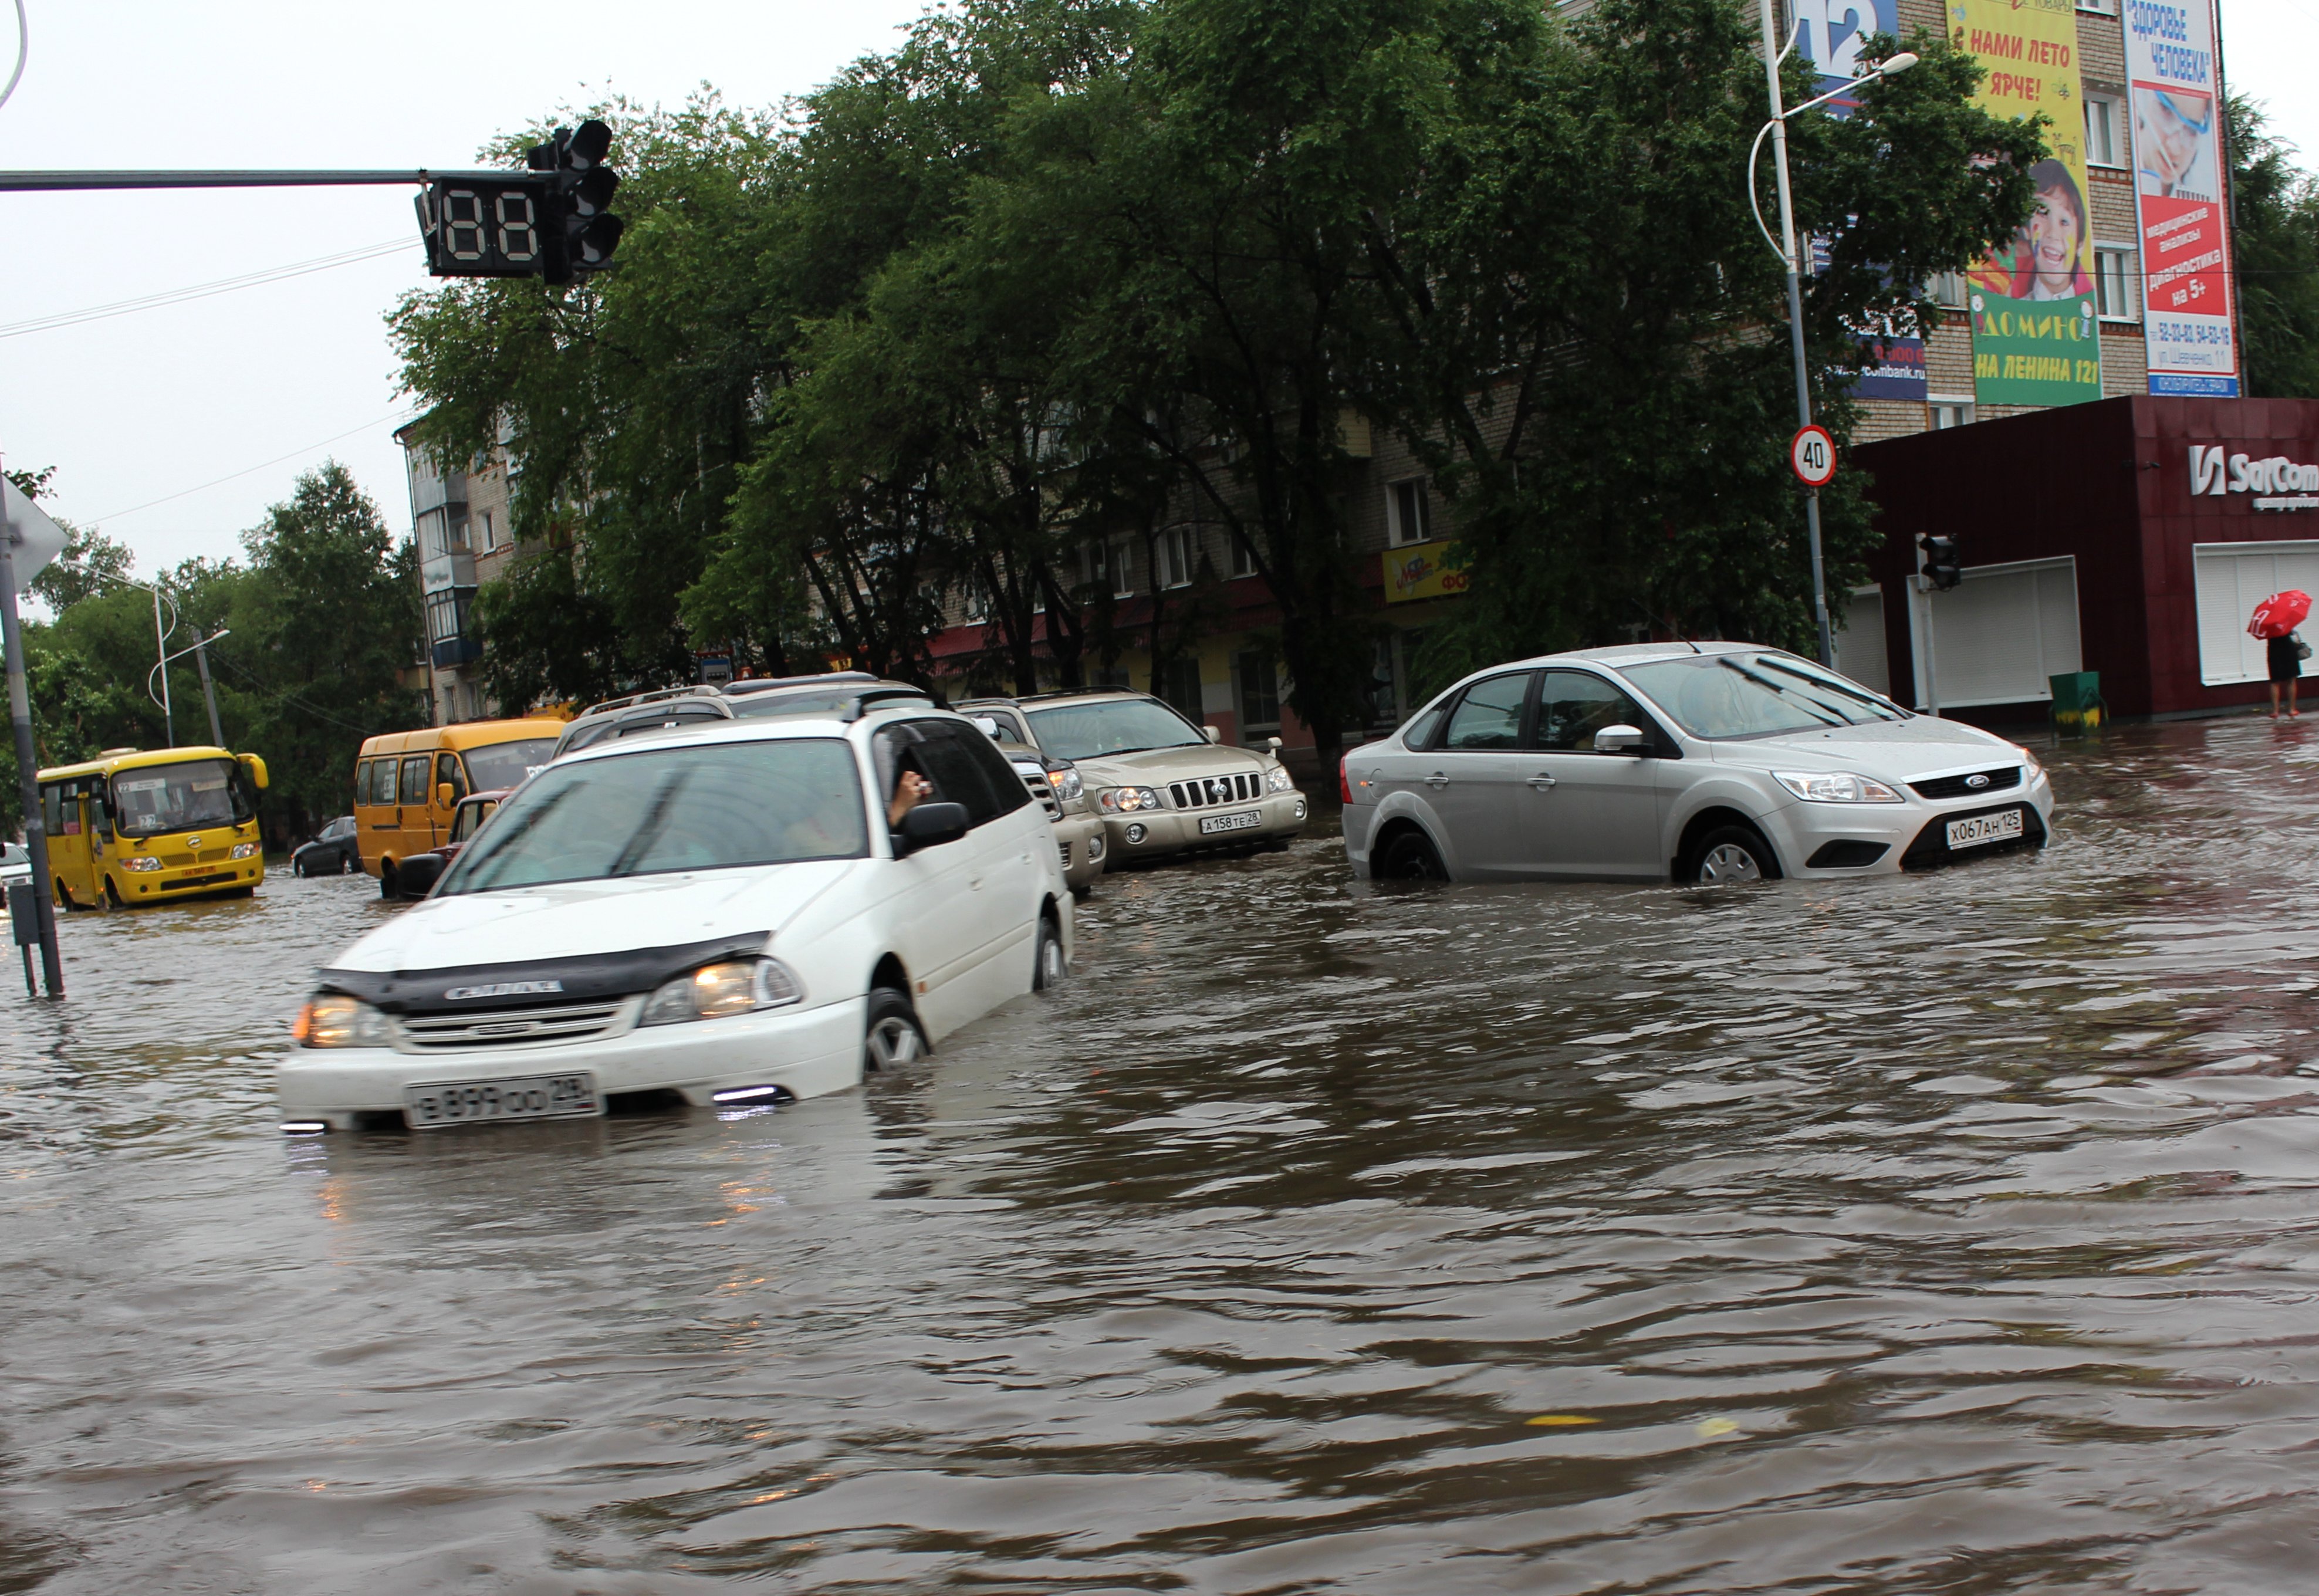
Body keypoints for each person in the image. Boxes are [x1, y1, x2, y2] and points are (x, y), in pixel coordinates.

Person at [2267, 630, 2304, 719]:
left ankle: (2275, 711)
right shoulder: (2285, 620)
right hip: (2288, 649)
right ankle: (2292, 709)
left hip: (2274, 650)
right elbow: (2292, 633)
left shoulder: (2267, 623)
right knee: (2291, 680)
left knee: (2275, 681)